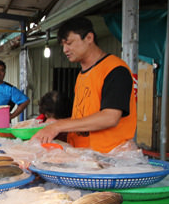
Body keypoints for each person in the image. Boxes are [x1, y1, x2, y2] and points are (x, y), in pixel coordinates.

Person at [33, 17, 137, 153]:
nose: (65, 50)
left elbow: (110, 117)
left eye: (69, 43)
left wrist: (59, 125)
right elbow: (83, 117)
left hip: (107, 159)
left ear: (89, 38)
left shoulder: (115, 70)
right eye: (63, 45)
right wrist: (53, 125)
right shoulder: (82, 75)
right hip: (82, 156)